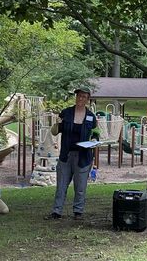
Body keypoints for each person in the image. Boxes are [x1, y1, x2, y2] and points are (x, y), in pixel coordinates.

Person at [48, 87, 96, 220]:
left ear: (88, 99)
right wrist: (56, 124)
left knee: (80, 186)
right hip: (66, 155)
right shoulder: (66, 113)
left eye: (84, 97)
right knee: (61, 185)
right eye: (79, 96)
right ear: (76, 97)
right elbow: (55, 131)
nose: (81, 98)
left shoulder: (91, 116)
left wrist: (94, 140)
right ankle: (57, 212)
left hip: (83, 156)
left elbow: (96, 133)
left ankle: (78, 212)